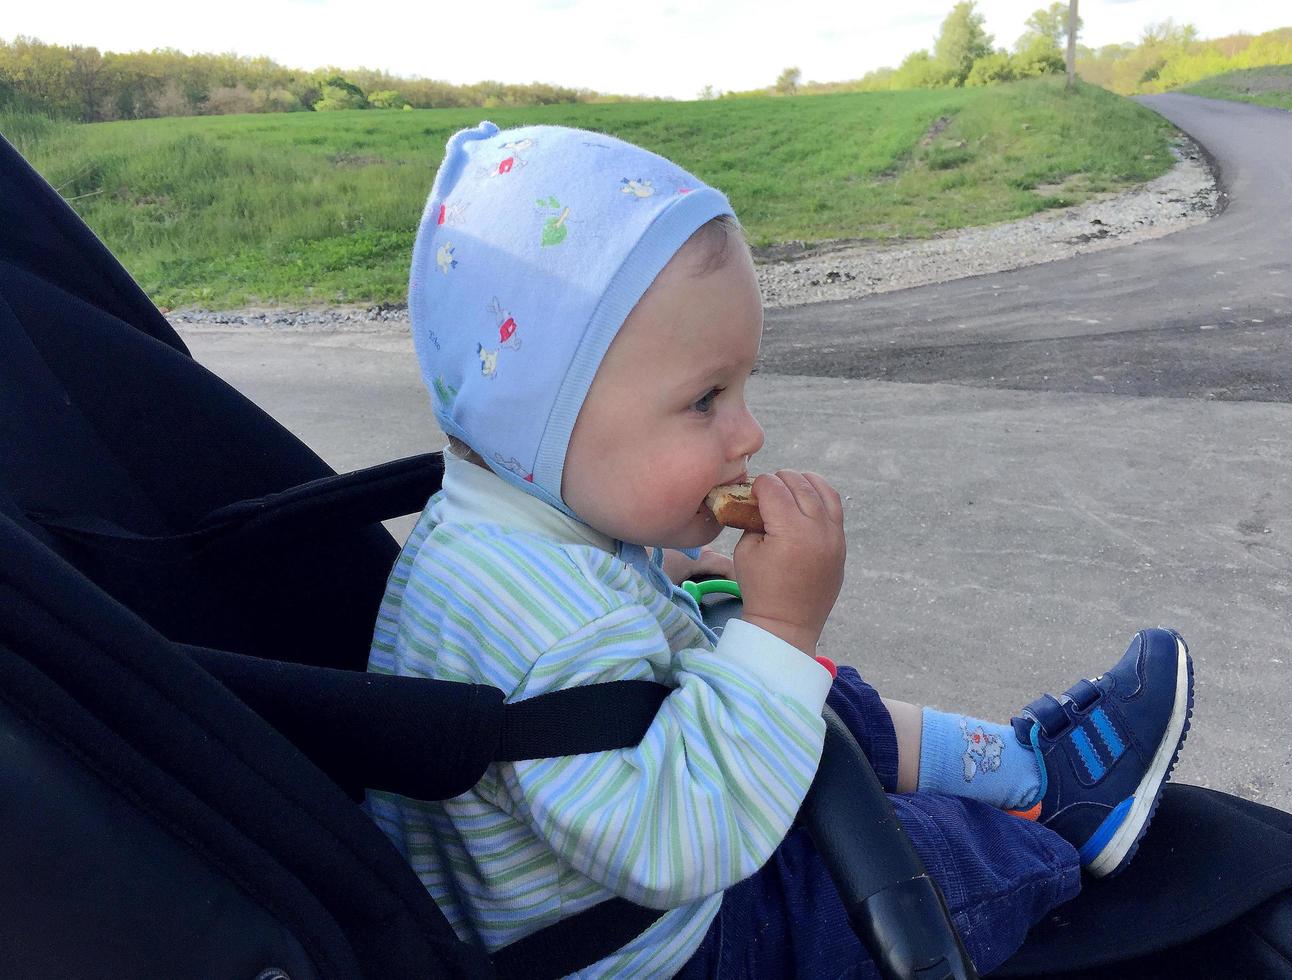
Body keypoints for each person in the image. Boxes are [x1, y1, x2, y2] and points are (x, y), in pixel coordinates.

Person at [365, 122, 1195, 977]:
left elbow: (600, 662)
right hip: (674, 943)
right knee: (937, 850)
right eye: (705, 400)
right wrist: (782, 625)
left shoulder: (494, 533)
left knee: (823, 699)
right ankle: (1056, 837)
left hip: (616, 855)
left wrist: (679, 577)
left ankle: (1027, 767)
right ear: (541, 415)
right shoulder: (548, 632)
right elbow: (682, 840)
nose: (748, 431)